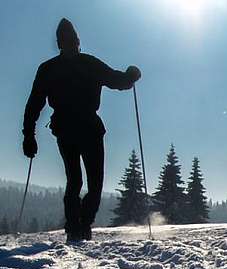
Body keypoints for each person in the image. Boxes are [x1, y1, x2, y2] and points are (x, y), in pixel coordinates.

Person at [22, 18, 141, 242]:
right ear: (74, 42)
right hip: (87, 129)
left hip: (67, 129)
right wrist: (130, 77)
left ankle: (76, 227)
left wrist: (29, 134)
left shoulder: (49, 68)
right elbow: (115, 80)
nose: (71, 45)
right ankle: (81, 226)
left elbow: (34, 103)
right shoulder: (88, 63)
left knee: (75, 180)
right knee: (91, 182)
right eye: (70, 41)